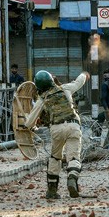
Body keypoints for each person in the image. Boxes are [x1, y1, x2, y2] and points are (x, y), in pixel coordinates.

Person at [25, 69, 89, 199]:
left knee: (55, 157)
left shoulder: (42, 98)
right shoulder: (65, 88)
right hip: (73, 125)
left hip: (56, 128)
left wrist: (28, 127)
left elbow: (30, 121)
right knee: (73, 157)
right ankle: (72, 178)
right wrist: (84, 74)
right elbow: (78, 82)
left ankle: (52, 191)